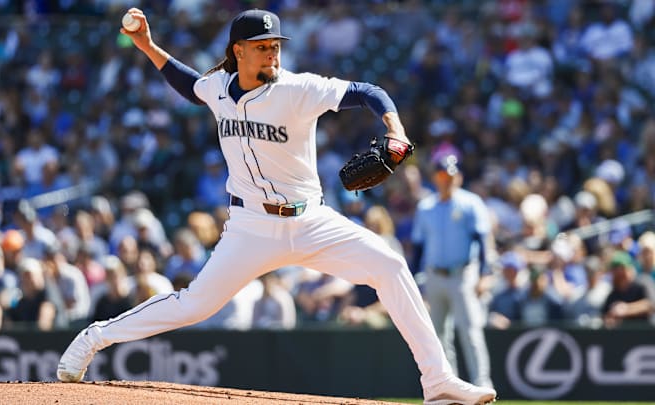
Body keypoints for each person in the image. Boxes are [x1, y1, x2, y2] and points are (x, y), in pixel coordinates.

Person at [57, 8, 496, 404]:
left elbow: (368, 91)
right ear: (238, 52)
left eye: (275, 46)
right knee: (194, 305)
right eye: (262, 47)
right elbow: (191, 87)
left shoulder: (298, 89)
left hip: (311, 221)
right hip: (250, 227)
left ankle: (437, 381)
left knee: (391, 267)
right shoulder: (218, 88)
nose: (272, 54)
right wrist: (148, 46)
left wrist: (395, 130)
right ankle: (95, 337)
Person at [411, 153, 494, 389]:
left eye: (449, 175)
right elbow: (418, 248)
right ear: (435, 178)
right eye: (440, 175)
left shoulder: (470, 203)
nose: (445, 180)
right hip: (434, 275)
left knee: (470, 331)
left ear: (458, 176)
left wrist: (484, 274)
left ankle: (482, 384)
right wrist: (417, 282)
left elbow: (482, 240)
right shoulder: (426, 207)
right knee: (438, 336)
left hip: (463, 275)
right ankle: (451, 385)